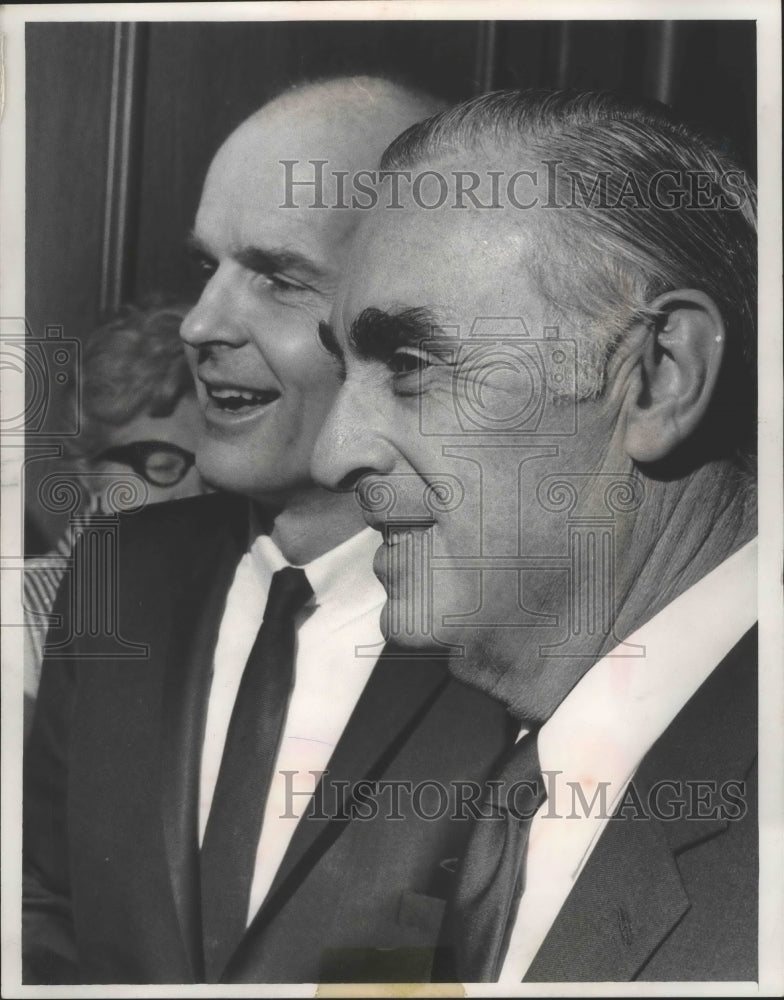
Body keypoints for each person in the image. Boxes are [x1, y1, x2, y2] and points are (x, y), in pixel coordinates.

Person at [23, 77, 516, 985]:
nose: (202, 324)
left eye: (278, 278)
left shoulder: (514, 627)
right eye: (205, 269)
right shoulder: (118, 574)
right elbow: (43, 902)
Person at [313, 89, 758, 982]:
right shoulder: (467, 779)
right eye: (341, 367)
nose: (331, 454)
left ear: (660, 374)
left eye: (409, 364)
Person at [23, 299, 206, 738]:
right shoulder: (22, 607)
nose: (196, 494)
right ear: (88, 470)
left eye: (215, 471)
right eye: (162, 467)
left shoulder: (232, 594)